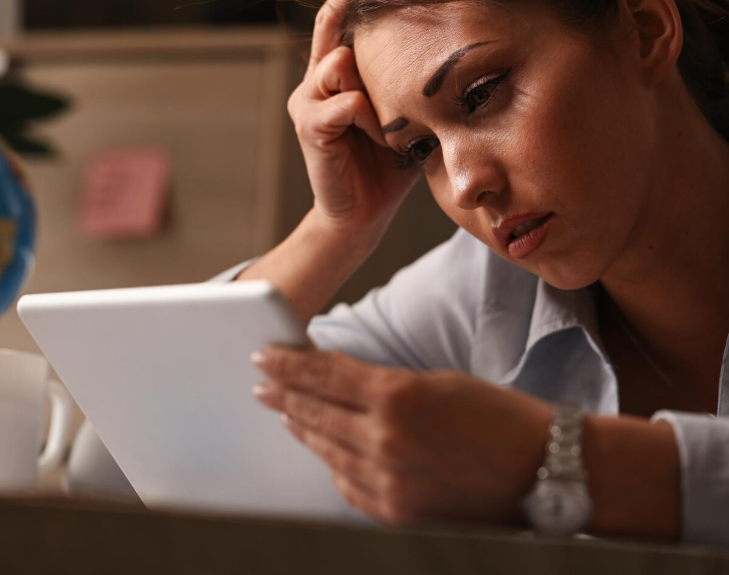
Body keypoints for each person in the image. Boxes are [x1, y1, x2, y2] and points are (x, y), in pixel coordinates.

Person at [218, 0, 729, 546]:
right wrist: (333, 228)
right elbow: (144, 451)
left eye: (481, 93)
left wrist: (557, 462)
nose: (463, 185)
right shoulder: (482, 291)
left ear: (646, 29)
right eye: (419, 149)